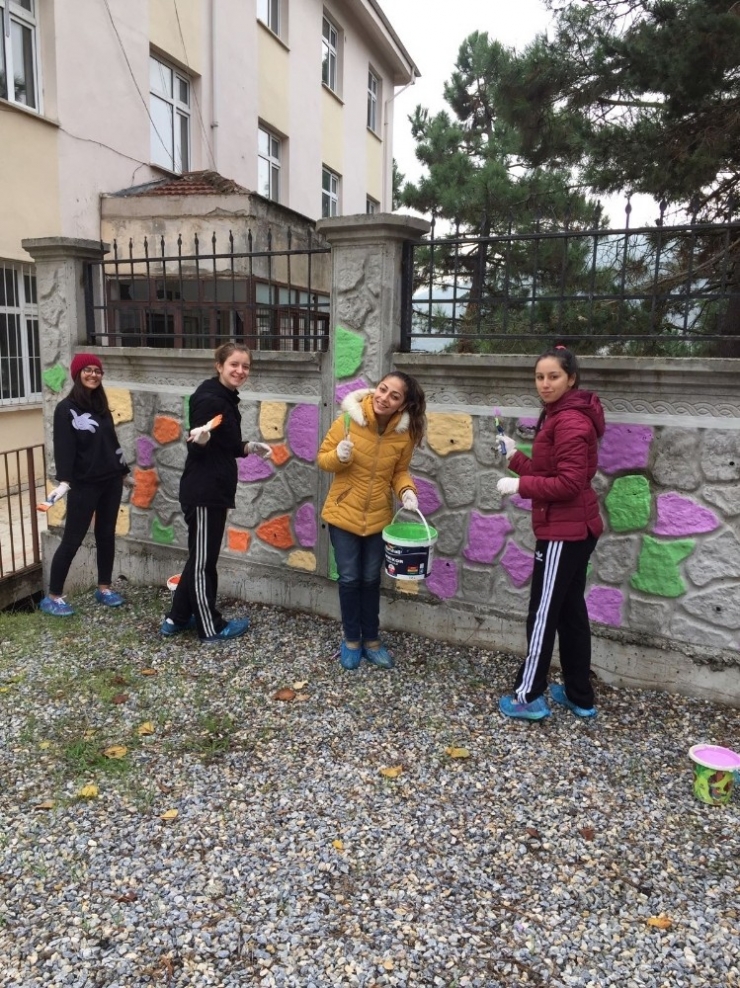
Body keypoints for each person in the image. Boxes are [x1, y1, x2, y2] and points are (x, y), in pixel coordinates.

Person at [496, 345, 605, 720]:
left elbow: (570, 483)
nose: (545, 383)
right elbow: (549, 470)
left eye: (553, 376)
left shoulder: (571, 421)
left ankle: (529, 696)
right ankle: (579, 695)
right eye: (540, 377)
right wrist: (514, 458)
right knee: (571, 612)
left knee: (543, 612)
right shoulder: (557, 414)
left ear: (571, 378)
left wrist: (519, 487)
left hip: (565, 532)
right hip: (575, 528)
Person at [161, 342, 272, 644]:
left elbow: (227, 445)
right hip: (204, 492)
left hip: (215, 490)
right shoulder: (210, 399)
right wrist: (200, 441)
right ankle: (210, 627)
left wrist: (248, 447)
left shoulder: (225, 398)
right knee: (203, 563)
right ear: (219, 365)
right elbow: (197, 445)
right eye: (234, 364)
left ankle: (177, 617)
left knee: (200, 556)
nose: (240, 370)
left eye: (245, 366)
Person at [317, 373, 426, 670]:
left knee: (371, 579)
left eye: (394, 396)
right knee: (350, 579)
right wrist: (339, 456)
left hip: (378, 518)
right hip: (343, 515)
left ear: (403, 405)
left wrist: (407, 492)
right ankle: (352, 639)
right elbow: (322, 459)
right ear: (375, 389)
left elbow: (400, 472)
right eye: (383, 389)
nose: (384, 398)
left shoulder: (403, 435)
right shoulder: (348, 421)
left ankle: (372, 640)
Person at [39, 353, 130, 617]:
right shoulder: (65, 409)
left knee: (106, 535)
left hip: (110, 481)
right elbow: (64, 448)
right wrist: (65, 481)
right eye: (87, 370)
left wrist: (123, 471)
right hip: (83, 484)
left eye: (97, 371)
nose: (93, 374)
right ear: (78, 374)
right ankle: (53, 596)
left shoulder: (101, 406)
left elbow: (112, 443)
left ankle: (104, 588)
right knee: (72, 539)